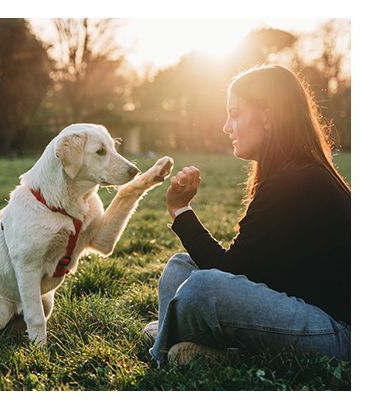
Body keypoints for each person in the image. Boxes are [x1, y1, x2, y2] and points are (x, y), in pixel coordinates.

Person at [144, 64, 351, 366]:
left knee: (205, 287)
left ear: (267, 116)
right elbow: (252, 272)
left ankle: (167, 343)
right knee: (180, 267)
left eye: (235, 113)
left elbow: (231, 272)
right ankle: (189, 342)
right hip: (300, 304)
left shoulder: (300, 181)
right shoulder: (288, 174)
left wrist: (180, 211)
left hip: (339, 335)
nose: (226, 126)